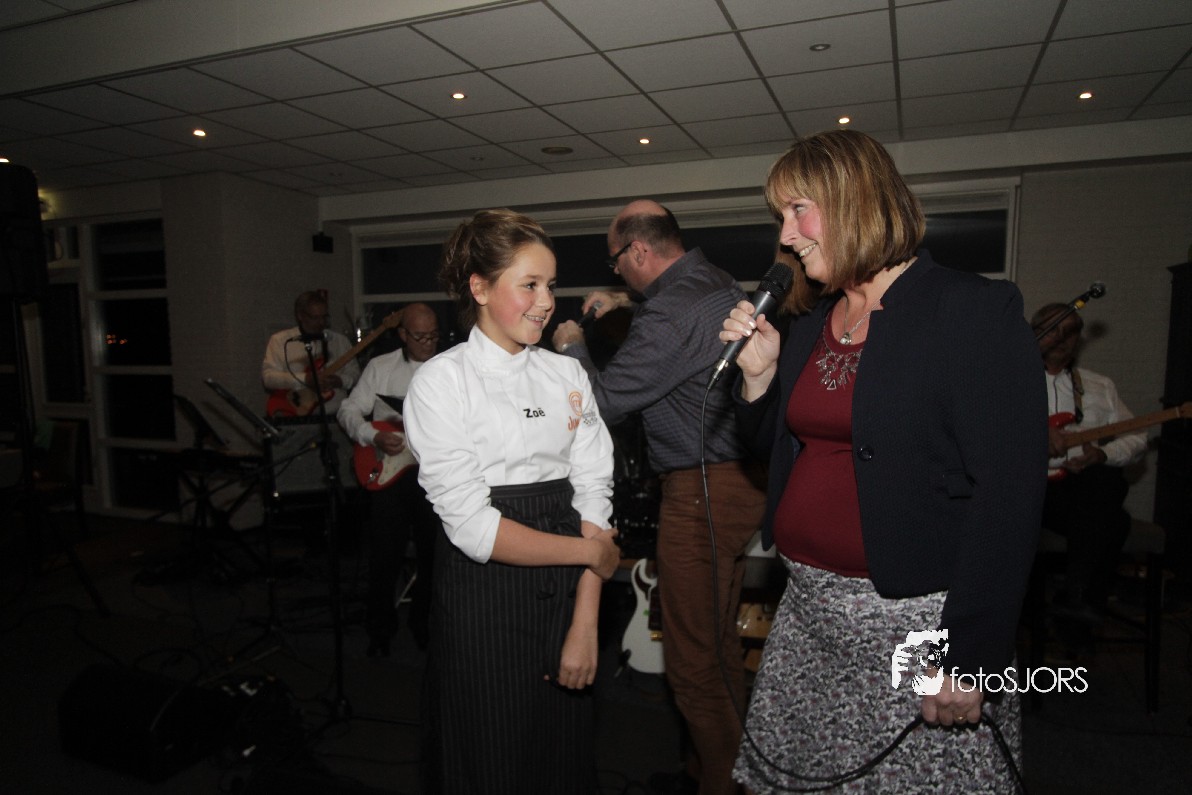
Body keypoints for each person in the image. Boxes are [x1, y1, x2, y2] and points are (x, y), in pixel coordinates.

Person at [719, 130, 1046, 792]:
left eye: (798, 209)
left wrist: (969, 654)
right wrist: (758, 380)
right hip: (808, 620)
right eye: (781, 215)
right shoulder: (812, 322)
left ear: (855, 201)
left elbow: (1009, 492)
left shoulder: (969, 309)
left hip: (916, 626)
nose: (786, 235)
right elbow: (778, 452)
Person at [402, 208, 621, 795]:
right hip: (485, 596)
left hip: (568, 588)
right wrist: (588, 554)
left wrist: (586, 621)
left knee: (562, 758)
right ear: (479, 287)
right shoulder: (441, 382)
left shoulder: (567, 376)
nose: (546, 301)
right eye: (529, 284)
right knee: (490, 757)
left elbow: (594, 496)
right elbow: (475, 528)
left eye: (550, 285)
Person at [552, 200, 767, 795]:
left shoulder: (669, 313)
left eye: (616, 261)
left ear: (639, 251)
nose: (616, 271)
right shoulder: (710, 278)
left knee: (693, 662)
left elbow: (603, 404)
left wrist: (572, 347)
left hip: (702, 489)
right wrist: (628, 303)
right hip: (737, 480)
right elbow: (681, 323)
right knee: (718, 644)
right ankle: (711, 768)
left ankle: (725, 784)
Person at [1033, 302, 1147, 628]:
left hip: (1079, 492)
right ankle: (1078, 615)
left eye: (1070, 332)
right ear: (1035, 333)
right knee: (1116, 521)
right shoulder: (1008, 382)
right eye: (1053, 329)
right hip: (1031, 492)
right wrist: (1035, 436)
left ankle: (1074, 600)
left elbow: (1137, 437)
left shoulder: (1100, 386)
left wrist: (1103, 455)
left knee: (1105, 480)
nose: (1061, 338)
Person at [336, 302, 441, 655]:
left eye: (433, 335)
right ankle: (379, 631)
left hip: (434, 478)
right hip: (389, 472)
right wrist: (372, 435)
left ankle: (424, 626)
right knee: (385, 556)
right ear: (402, 335)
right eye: (420, 336)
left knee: (433, 557)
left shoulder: (451, 368)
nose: (428, 343)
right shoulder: (380, 367)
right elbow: (348, 409)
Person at [262, 290, 359, 415]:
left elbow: (356, 375)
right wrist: (304, 379)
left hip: (335, 414)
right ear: (300, 316)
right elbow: (268, 378)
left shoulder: (340, 341)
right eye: (315, 318)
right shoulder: (280, 341)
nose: (321, 322)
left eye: (324, 317)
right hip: (295, 414)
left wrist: (340, 381)